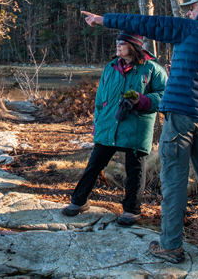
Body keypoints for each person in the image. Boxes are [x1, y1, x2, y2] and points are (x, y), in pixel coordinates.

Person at [81, 0, 198, 265]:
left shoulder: (194, 28)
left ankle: (169, 245)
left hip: (180, 116)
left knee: (174, 179)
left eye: (191, 9)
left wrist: (103, 19)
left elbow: (146, 24)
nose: (189, 13)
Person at [62, 31, 167, 226]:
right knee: (94, 164)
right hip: (108, 124)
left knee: (135, 170)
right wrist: (96, 123)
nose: (117, 45)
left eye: (122, 42)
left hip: (137, 125)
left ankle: (132, 210)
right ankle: (79, 201)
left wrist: (142, 100)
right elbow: (99, 99)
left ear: (134, 45)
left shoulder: (152, 69)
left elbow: (164, 96)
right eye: (117, 42)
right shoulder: (110, 68)